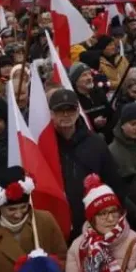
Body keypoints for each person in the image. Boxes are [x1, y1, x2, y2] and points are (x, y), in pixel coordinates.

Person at [50, 88, 124, 233]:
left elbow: (113, 183)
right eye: (60, 110)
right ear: (51, 114)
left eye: (70, 109)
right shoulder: (46, 145)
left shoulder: (96, 143)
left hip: (95, 224)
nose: (66, 115)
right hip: (58, 224)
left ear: (78, 112)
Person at [0, 166, 69, 272]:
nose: (18, 214)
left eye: (23, 207)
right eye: (11, 209)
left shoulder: (45, 221)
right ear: (0, 207)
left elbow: (63, 260)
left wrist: (49, 266)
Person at [67, 174, 136, 272]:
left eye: (114, 211)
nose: (110, 218)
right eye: (103, 213)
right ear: (91, 219)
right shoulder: (77, 247)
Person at [109, 102, 136, 230]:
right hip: (126, 217)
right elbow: (115, 189)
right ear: (123, 125)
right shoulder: (112, 152)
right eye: (133, 124)